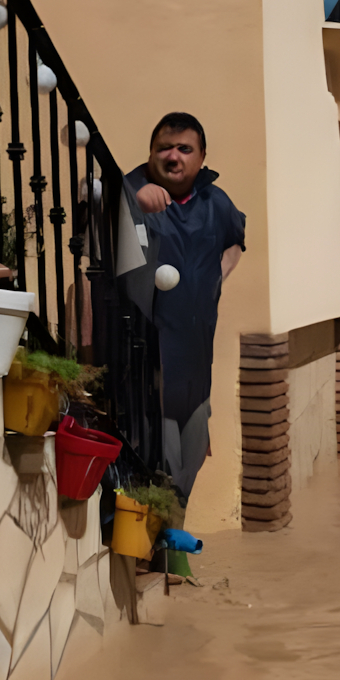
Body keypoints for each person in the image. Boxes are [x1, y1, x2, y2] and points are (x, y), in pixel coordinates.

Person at [121, 112, 244, 497]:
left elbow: (235, 240)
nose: (173, 157)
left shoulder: (215, 200)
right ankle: (163, 556)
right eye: (164, 148)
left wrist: (210, 281)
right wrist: (132, 206)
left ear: (202, 156)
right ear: (151, 153)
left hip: (196, 377)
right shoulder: (127, 191)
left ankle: (170, 551)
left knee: (185, 480)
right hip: (146, 377)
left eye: (184, 149)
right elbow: (93, 224)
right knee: (158, 482)